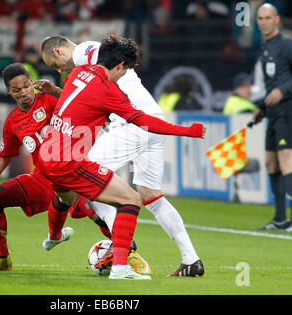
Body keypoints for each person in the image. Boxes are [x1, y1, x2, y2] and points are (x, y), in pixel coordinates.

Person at [37, 35, 205, 280]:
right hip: (152, 121)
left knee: (88, 183)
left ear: (59, 51)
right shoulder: (93, 65)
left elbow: (102, 95)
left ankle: (121, 254)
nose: (59, 69)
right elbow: (90, 97)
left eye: (54, 64)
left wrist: (185, 131)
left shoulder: (84, 58)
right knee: (151, 196)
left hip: (132, 125)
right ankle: (191, 260)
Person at [0, 63, 132, 271]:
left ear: (32, 83)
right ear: (9, 92)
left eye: (26, 86)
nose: (24, 92)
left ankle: (130, 255)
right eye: (17, 89)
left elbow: (79, 102)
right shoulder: (13, 121)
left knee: (97, 214)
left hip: (70, 173)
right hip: (41, 179)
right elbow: (2, 158)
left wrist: (57, 91)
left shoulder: (50, 100)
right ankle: (2, 259)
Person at [251, 4, 292, 232]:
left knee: (287, 162)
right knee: (270, 163)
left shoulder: (287, 44)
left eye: (268, 18)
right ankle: (279, 218)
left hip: (289, 110)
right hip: (274, 112)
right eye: (260, 18)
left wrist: (283, 91)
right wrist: (262, 109)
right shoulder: (266, 46)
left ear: (277, 19)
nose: (264, 22)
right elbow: (272, 85)